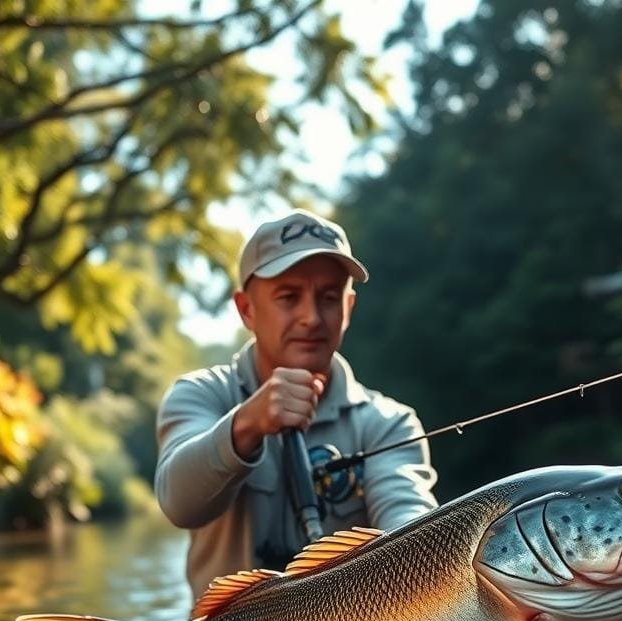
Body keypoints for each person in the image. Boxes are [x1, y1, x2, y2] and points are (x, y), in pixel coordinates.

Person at [155, 209, 438, 600]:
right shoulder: (200, 395)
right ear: (246, 310)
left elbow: (411, 525)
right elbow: (179, 503)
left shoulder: (390, 422)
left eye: (328, 298)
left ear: (349, 308)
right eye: (289, 297)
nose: (311, 317)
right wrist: (245, 426)